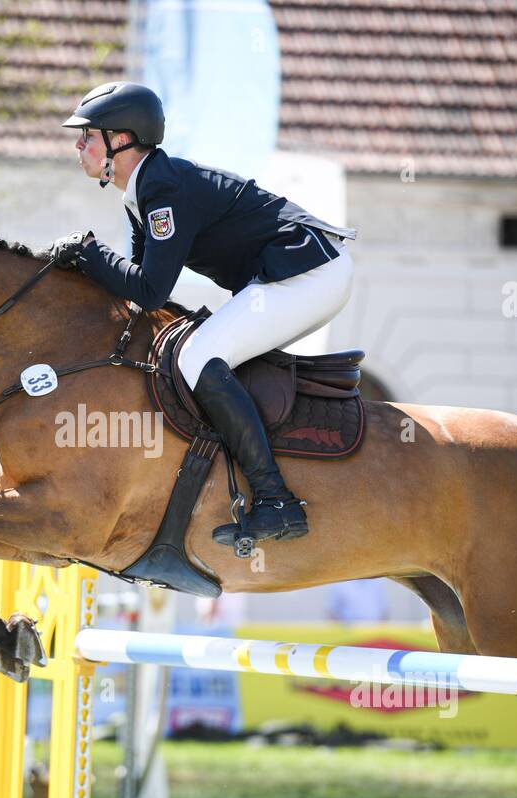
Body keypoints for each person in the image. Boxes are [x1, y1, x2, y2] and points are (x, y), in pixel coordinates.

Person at [49, 81, 356, 547]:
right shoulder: (143, 192)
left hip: (307, 272)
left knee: (197, 356)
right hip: (296, 274)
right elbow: (133, 291)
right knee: (199, 351)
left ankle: (277, 500)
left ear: (121, 140)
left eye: (87, 135)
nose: (78, 145)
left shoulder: (163, 188)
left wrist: (90, 253)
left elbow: (151, 291)